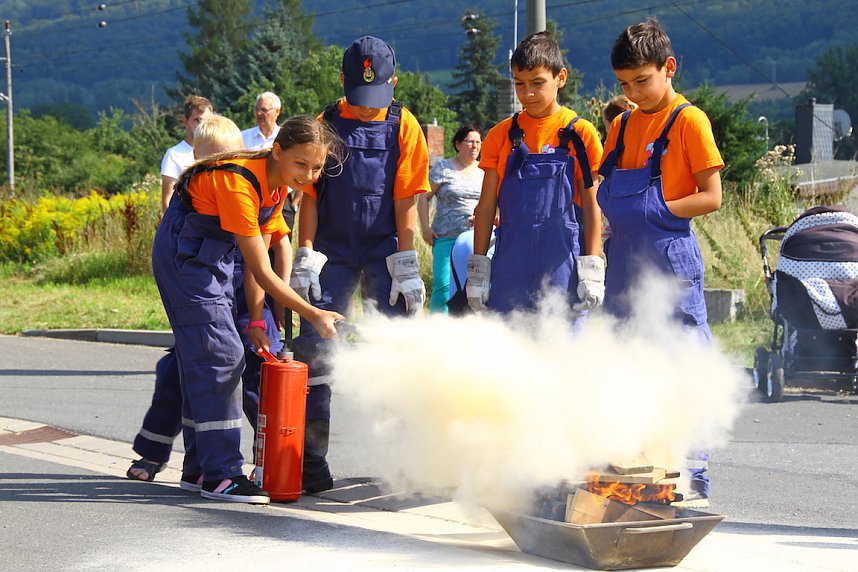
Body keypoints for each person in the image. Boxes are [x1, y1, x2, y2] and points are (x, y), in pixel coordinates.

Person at [151, 115, 345, 504]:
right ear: (277, 151)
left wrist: (256, 318)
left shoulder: (276, 187)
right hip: (184, 257)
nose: (308, 175)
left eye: (317, 167)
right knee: (221, 355)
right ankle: (221, 475)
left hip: (213, 257)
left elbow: (259, 265)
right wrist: (314, 314)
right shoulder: (239, 182)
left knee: (206, 357)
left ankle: (198, 469)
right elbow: (262, 269)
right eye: (301, 164)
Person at [289, 35, 430, 494]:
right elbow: (310, 197)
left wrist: (406, 263)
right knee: (316, 352)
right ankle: (311, 461)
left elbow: (406, 200)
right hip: (332, 252)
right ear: (342, 82)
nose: (369, 107)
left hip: (385, 251)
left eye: (377, 97)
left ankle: (405, 463)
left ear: (394, 83)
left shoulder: (405, 125)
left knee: (396, 349)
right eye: (360, 96)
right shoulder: (325, 124)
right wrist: (305, 254)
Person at [598, 19, 724, 508]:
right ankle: (639, 476)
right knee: (626, 360)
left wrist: (659, 210)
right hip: (623, 260)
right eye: (624, 84)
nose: (633, 93)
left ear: (669, 68)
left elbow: (711, 196)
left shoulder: (689, 121)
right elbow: (602, 186)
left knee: (682, 364)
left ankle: (691, 478)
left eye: (642, 81)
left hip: (671, 257)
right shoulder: (622, 125)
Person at [126, 115, 283, 486]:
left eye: (227, 159)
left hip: (249, 289)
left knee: (257, 371)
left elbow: (274, 249)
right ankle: (164, 455)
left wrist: (264, 315)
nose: (220, 169)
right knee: (184, 369)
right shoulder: (199, 195)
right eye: (210, 161)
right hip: (209, 282)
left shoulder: (258, 185)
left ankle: (274, 461)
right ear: (196, 161)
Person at [468, 31, 604, 315]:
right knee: (508, 339)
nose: (527, 93)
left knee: (560, 338)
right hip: (510, 266)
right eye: (519, 83)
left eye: (537, 83)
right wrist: (478, 268)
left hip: (563, 267)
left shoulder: (581, 134)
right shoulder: (501, 135)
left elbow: (592, 204)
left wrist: (592, 266)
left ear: (560, 78)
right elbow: (486, 205)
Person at [418, 125, 484, 313]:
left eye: (478, 142)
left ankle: (467, 325)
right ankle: (438, 325)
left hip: (475, 239)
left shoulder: (485, 171)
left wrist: (481, 217)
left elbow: (494, 203)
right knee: (443, 283)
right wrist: (425, 228)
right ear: (457, 144)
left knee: (475, 287)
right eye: (470, 142)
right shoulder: (443, 168)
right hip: (446, 236)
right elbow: (423, 197)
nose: (474, 146)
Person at [160, 95, 212, 212]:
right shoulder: (174, 155)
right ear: (185, 121)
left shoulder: (216, 151)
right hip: (185, 219)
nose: (202, 125)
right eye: (197, 120)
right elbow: (167, 201)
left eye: (207, 121)